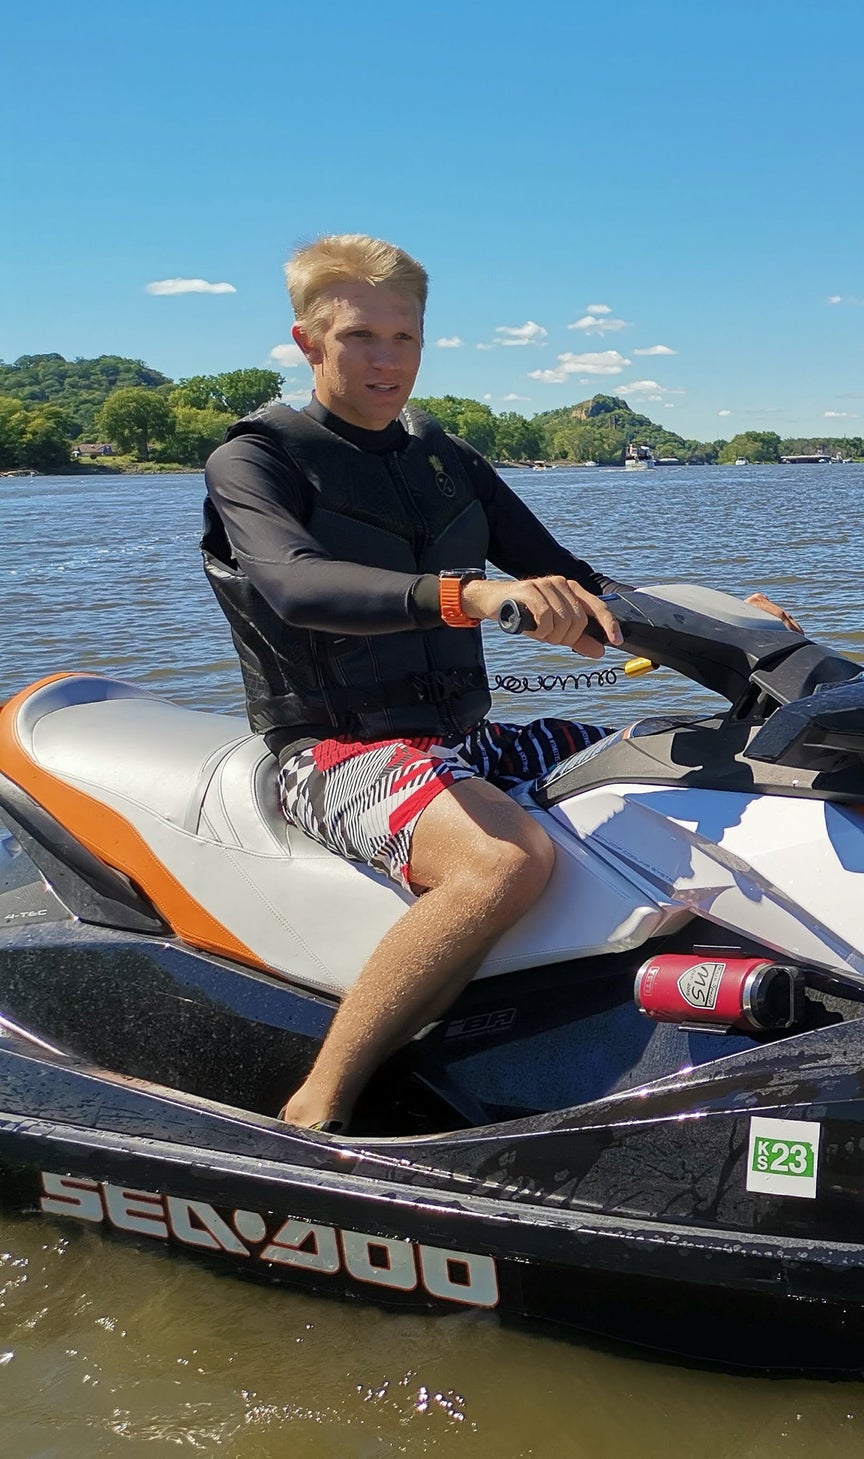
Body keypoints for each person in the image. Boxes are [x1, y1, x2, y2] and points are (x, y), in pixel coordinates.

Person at [200, 234, 791, 1132]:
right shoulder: (255, 461)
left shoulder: (445, 458)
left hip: (466, 739)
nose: (388, 360)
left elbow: (572, 578)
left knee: (680, 760)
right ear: (308, 340)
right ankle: (316, 1106)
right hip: (331, 751)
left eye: (405, 337)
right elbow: (295, 584)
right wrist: (470, 593)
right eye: (362, 336)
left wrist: (729, 624)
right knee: (504, 860)